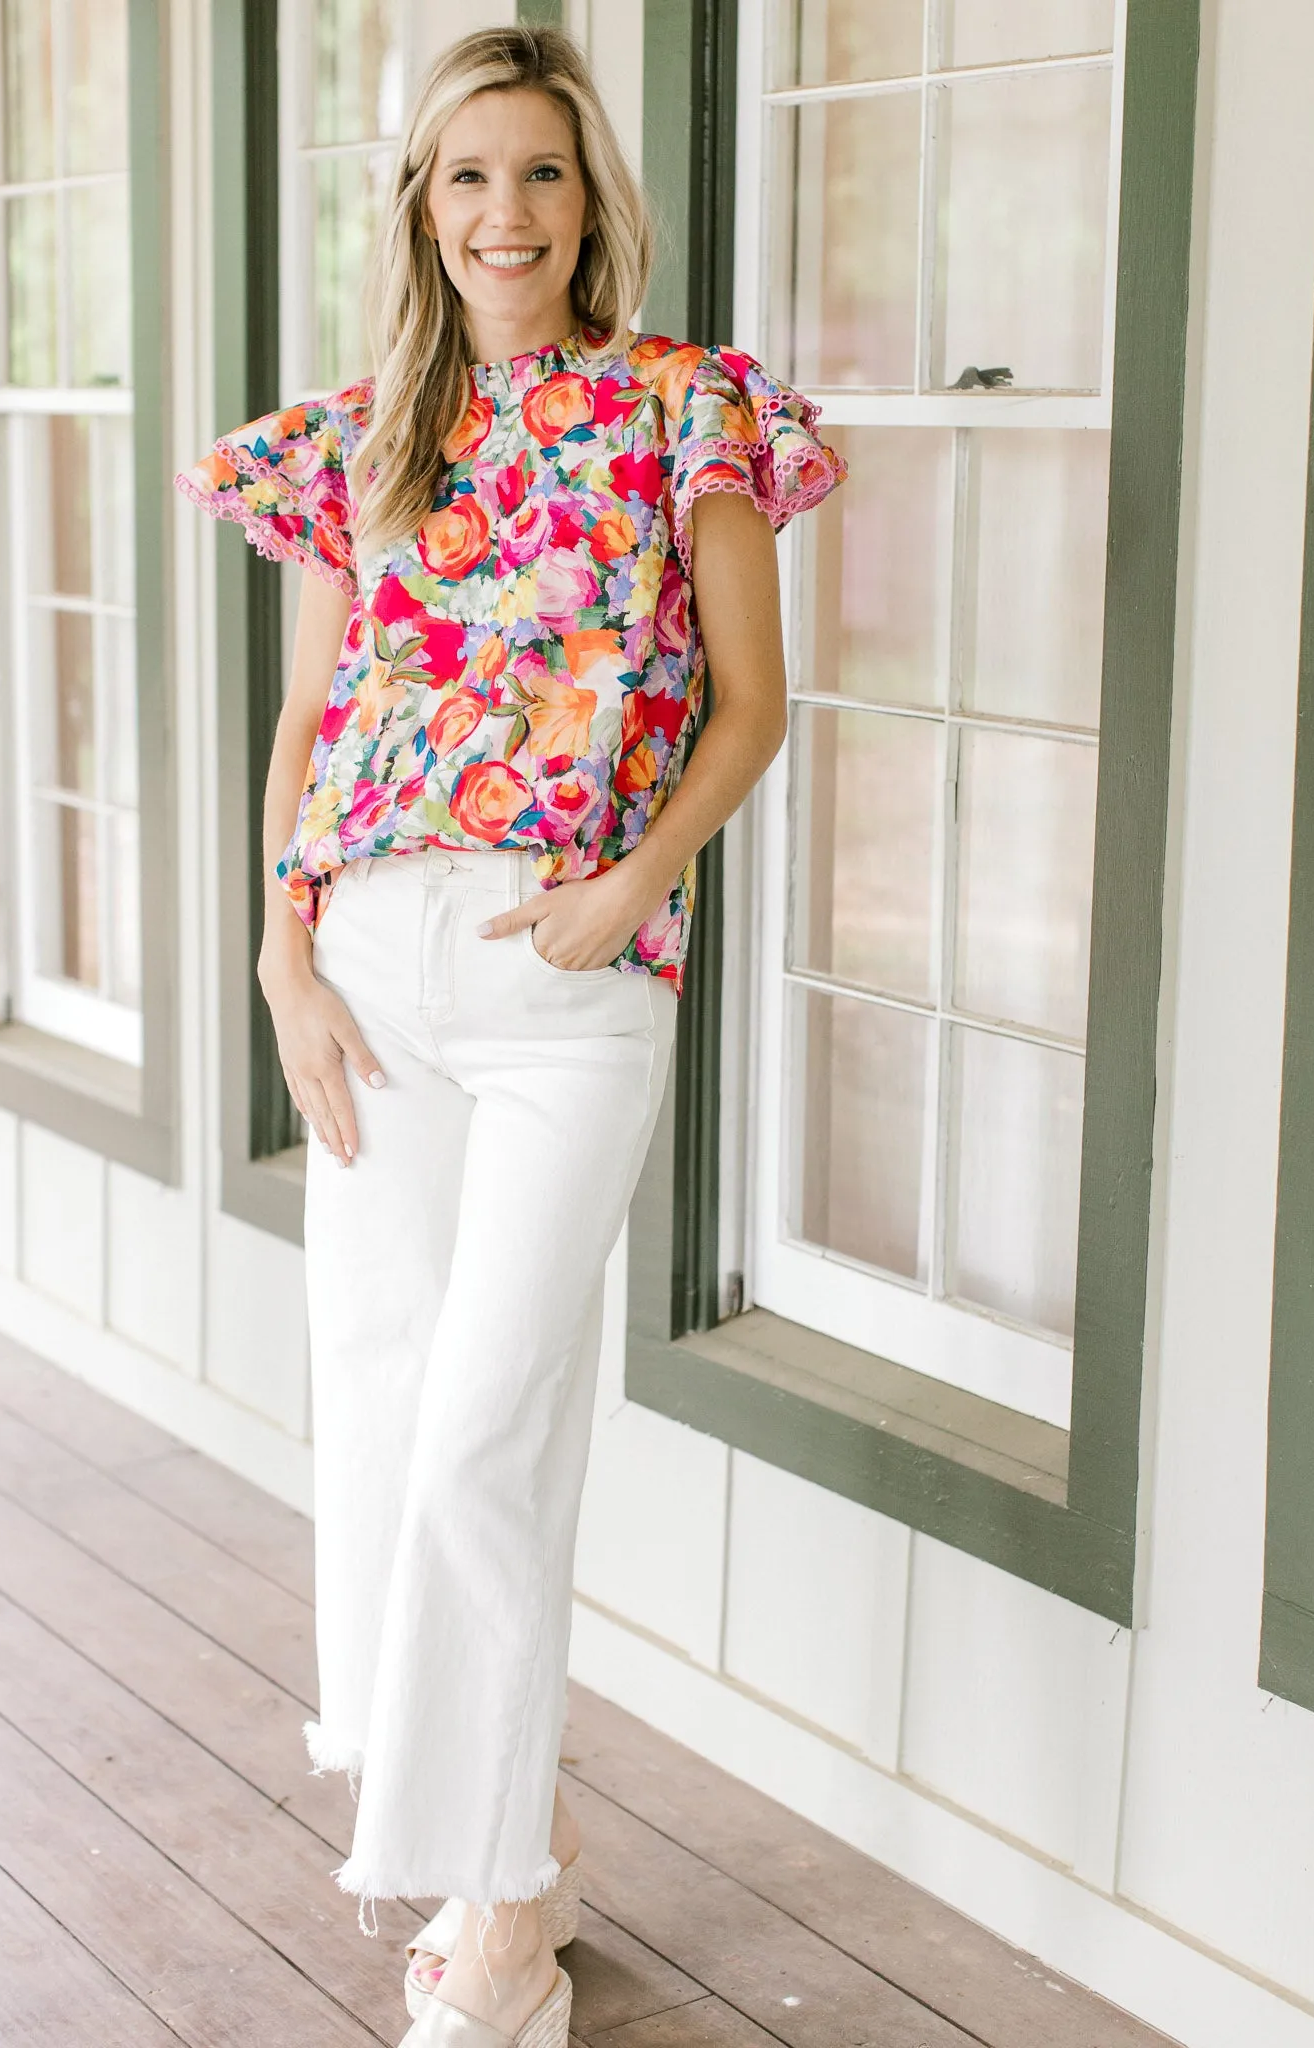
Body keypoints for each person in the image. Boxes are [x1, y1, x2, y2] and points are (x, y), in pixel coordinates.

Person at [177, 24, 844, 2048]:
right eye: (465, 176)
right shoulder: (361, 435)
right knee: (387, 1414)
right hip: (368, 966)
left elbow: (749, 703)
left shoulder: (682, 408)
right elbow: (312, 727)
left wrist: (632, 890)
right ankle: (503, 1881)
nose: (503, 216)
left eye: (539, 174)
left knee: (487, 1429)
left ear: (590, 198)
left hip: (566, 983)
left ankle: (498, 1896)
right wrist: (279, 954)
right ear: (420, 203)